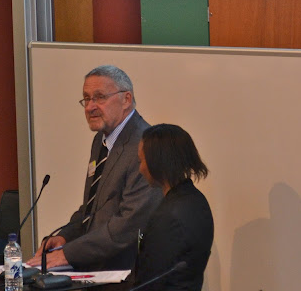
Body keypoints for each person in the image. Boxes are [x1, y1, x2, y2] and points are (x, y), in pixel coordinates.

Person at [27, 65, 162, 271]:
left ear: (126, 99)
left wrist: (68, 254)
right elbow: (93, 207)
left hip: (127, 272)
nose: (90, 107)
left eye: (100, 97)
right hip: (96, 266)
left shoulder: (144, 146)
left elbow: (130, 224)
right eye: (87, 98)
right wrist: (65, 237)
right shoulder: (101, 140)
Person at [135, 123, 214, 291]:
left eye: (142, 161)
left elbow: (150, 280)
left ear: (157, 162)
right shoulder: (196, 200)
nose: (140, 169)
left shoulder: (169, 216)